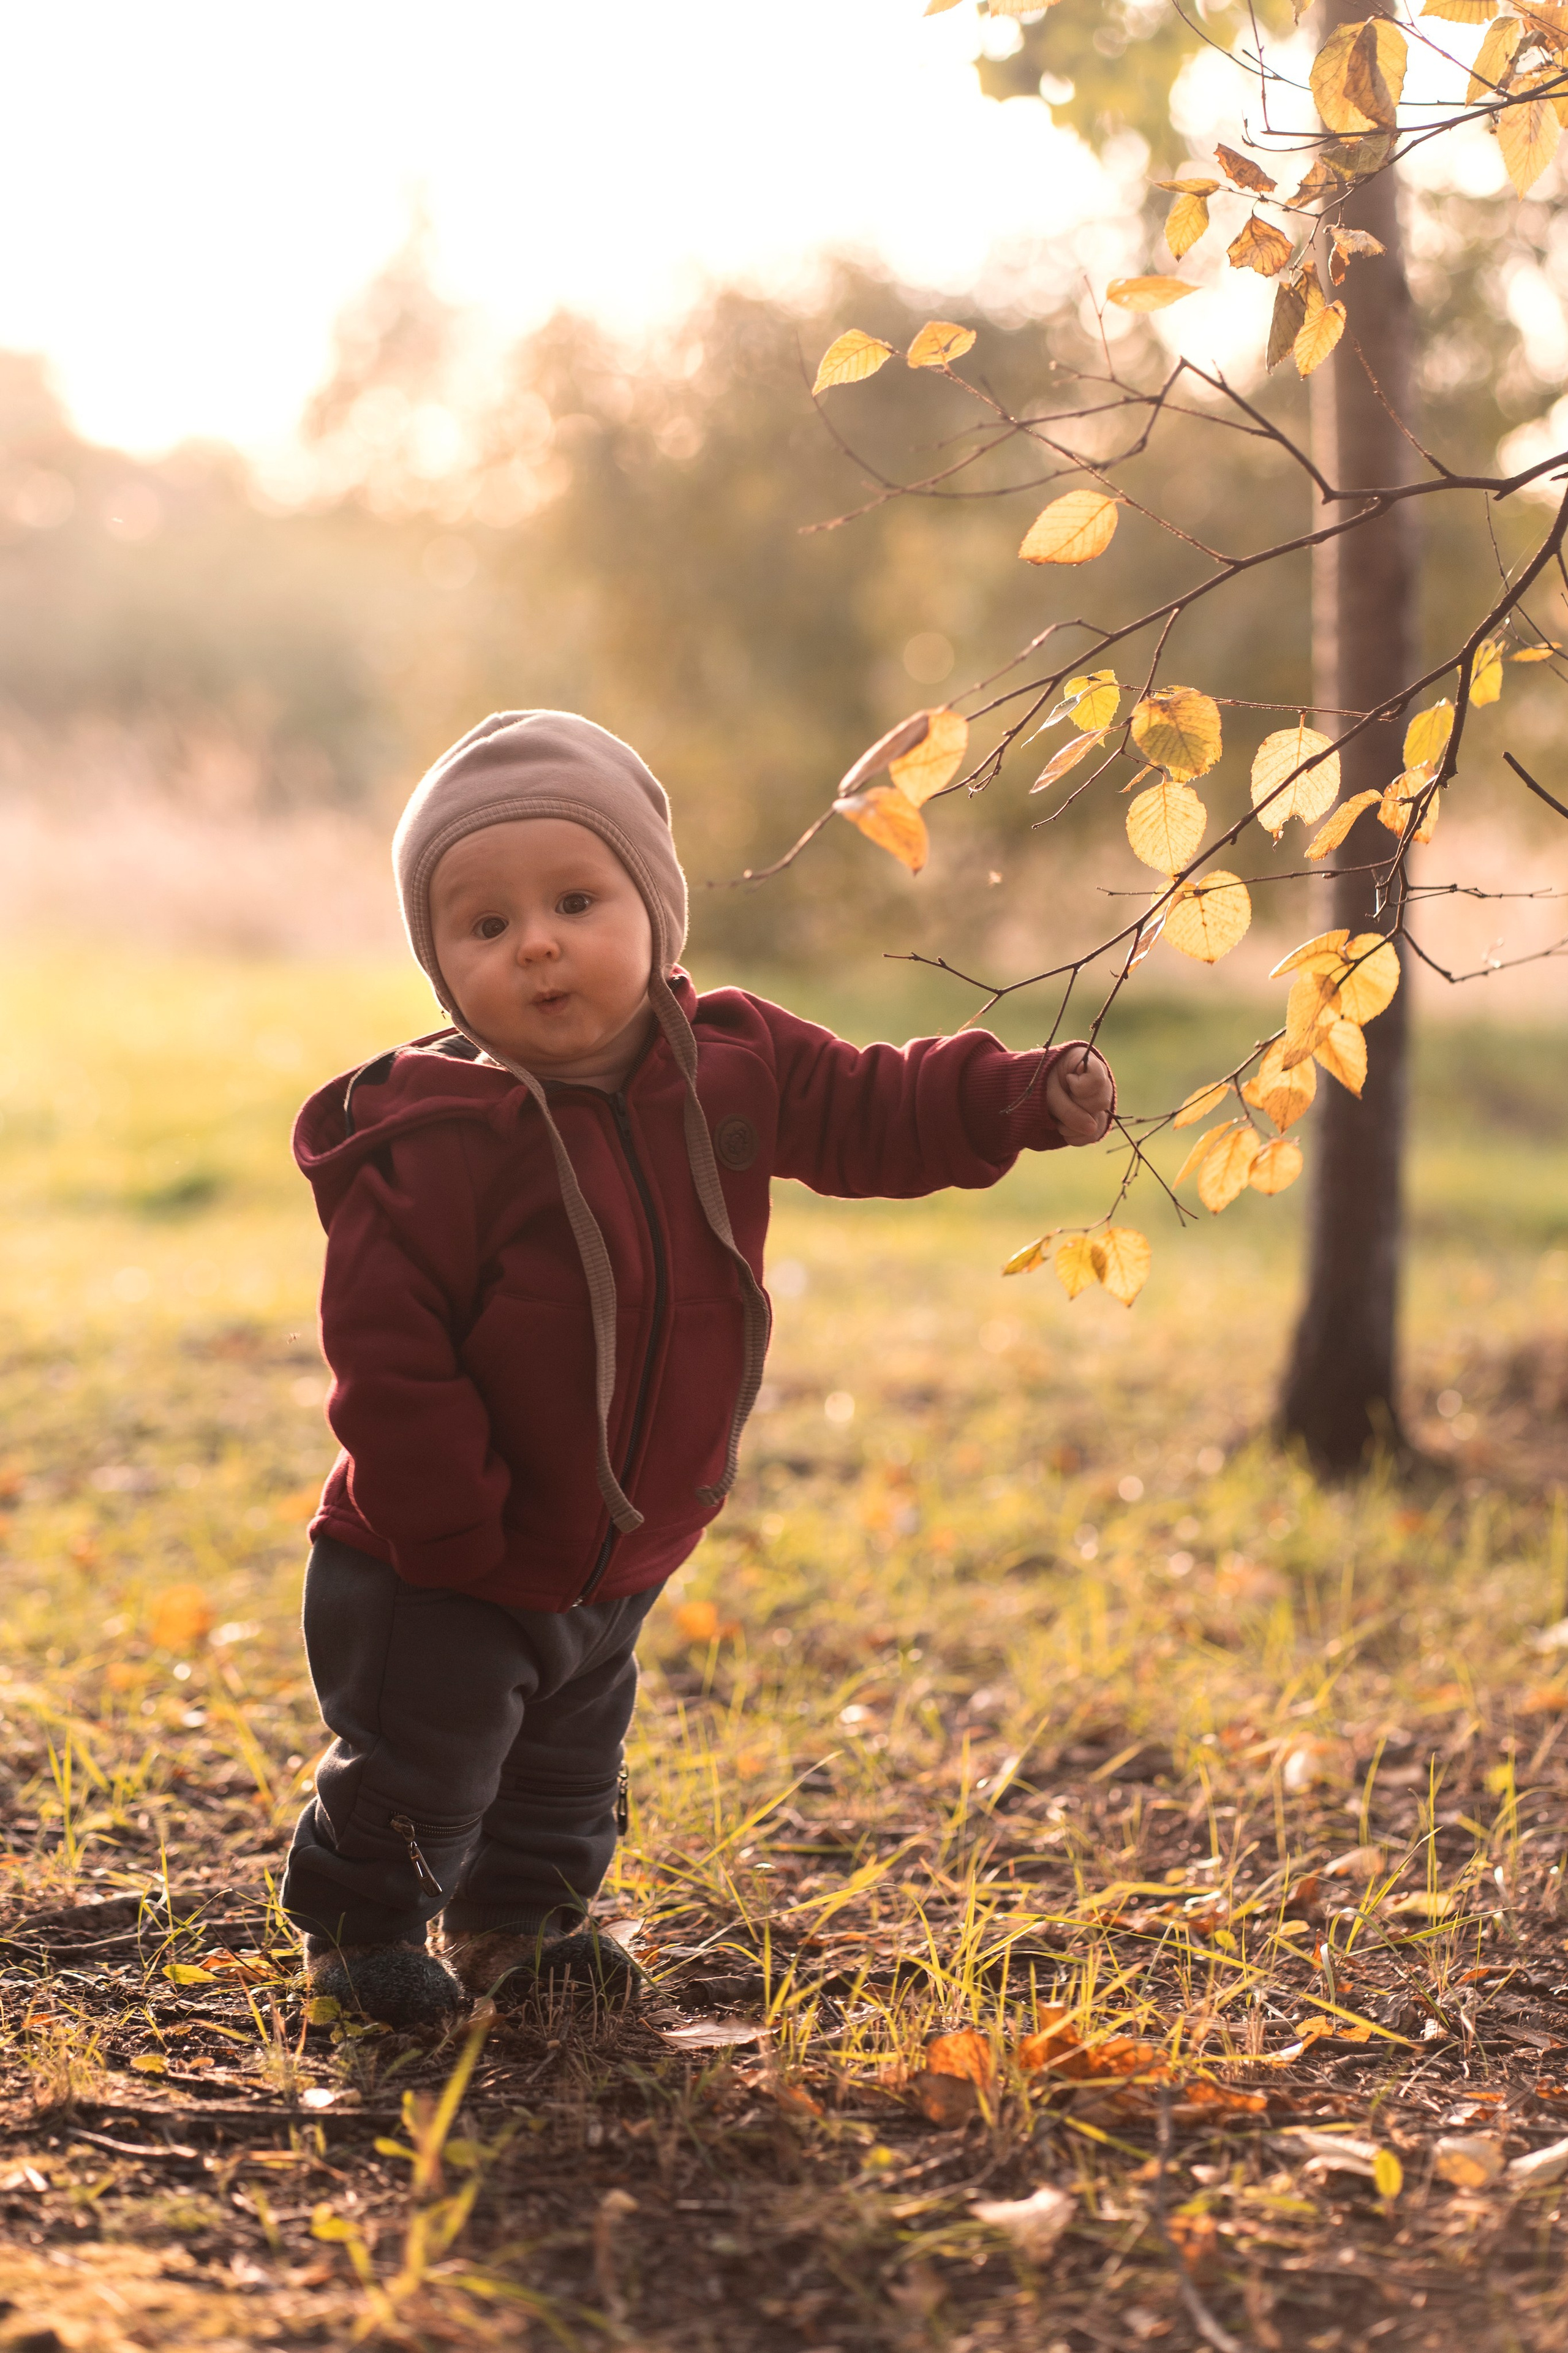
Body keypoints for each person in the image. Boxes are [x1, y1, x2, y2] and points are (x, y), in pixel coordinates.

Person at [281, 711, 1115, 2026]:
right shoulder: (427, 1142)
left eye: (574, 900)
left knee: (565, 1761)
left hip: (621, 1534)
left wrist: (1008, 1098)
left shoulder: (729, 1059)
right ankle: (363, 1933)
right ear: (439, 965)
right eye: (483, 926)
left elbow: (870, 1107)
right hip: (437, 1557)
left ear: (654, 911)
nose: (537, 943)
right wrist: (447, 1522)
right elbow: (388, 1356)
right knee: (423, 1760)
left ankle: (522, 1921)